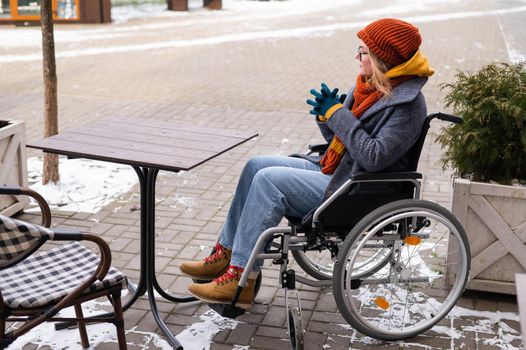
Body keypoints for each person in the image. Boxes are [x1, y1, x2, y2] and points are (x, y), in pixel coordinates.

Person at [179, 18, 434, 309]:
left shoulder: (408, 103)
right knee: (255, 166)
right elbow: (344, 138)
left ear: (383, 59)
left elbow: (374, 157)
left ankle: (241, 279)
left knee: (268, 182)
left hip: (360, 189)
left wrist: (339, 115)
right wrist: (327, 118)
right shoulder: (369, 85)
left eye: (363, 52)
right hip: (340, 171)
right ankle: (225, 254)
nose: (357, 56)